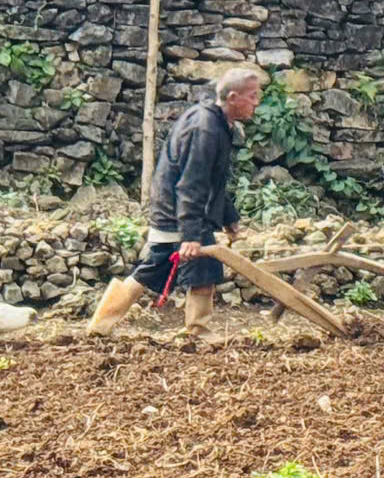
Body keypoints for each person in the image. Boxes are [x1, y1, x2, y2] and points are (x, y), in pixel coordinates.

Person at [88, 67, 262, 335]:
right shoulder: (205, 128)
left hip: (178, 208)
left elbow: (213, 179)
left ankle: (102, 324)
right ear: (233, 97)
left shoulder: (215, 122)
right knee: (196, 267)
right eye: (252, 96)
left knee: (159, 266)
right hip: (178, 210)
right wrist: (190, 235)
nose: (256, 102)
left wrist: (229, 216)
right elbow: (190, 183)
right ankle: (197, 332)